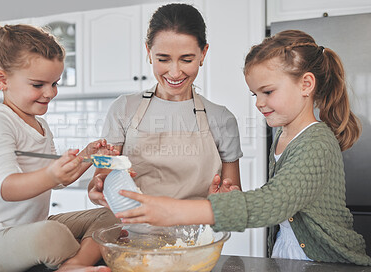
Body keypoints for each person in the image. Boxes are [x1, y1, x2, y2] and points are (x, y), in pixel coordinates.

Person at [110, 30, 371, 266]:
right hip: (292, 254)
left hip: (327, 260)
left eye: (267, 92)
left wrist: (172, 210)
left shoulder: (316, 143)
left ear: (306, 85)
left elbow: (274, 202)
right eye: (254, 94)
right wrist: (225, 200)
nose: (259, 103)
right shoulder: (283, 135)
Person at [0, 24, 117, 272]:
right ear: (2, 79)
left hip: (32, 228)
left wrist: (87, 157)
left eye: (55, 83)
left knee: (111, 217)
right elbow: (6, 187)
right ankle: (80, 258)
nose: (50, 93)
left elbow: (57, 181)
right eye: (38, 85)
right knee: (52, 234)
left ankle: (74, 264)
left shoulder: (41, 125)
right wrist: (51, 174)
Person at [89, 3, 242, 205]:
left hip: (195, 233)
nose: (175, 72)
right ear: (149, 52)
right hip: (132, 231)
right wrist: (97, 189)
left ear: (203, 54)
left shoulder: (222, 119)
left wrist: (227, 201)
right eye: (163, 59)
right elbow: (101, 180)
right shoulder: (123, 108)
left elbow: (233, 198)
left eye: (186, 60)